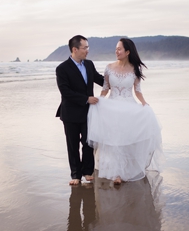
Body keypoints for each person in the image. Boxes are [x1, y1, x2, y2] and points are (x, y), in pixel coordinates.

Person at [87, 38, 163, 184]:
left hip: (129, 110)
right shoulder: (109, 67)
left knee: (126, 142)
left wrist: (144, 103)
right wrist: (99, 101)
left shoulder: (135, 69)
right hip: (112, 108)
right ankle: (116, 174)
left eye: (119, 49)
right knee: (113, 141)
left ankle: (125, 172)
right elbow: (105, 89)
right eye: (116, 48)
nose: (116, 51)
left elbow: (137, 91)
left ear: (127, 52)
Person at [56, 35, 105, 185]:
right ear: (75, 49)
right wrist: (86, 99)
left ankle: (87, 171)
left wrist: (120, 80)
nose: (87, 51)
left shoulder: (89, 64)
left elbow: (100, 79)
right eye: (85, 48)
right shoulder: (62, 68)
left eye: (87, 47)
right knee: (73, 144)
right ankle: (76, 174)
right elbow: (65, 92)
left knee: (88, 142)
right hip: (70, 112)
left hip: (88, 112)